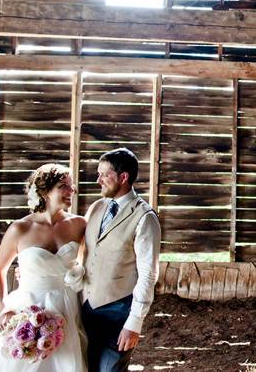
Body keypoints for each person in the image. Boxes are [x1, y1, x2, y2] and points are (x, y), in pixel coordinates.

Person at [0, 163, 88, 371]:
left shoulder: (80, 225)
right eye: (64, 186)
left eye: (72, 186)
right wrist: (3, 308)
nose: (72, 191)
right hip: (28, 306)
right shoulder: (20, 229)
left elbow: (88, 262)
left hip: (68, 306)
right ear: (45, 192)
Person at [81, 148, 160, 372]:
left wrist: (134, 322)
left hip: (119, 312)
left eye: (104, 175)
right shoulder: (97, 207)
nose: (98, 180)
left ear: (123, 177)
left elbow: (148, 273)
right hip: (85, 308)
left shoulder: (145, 217)